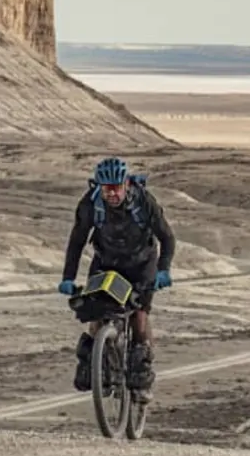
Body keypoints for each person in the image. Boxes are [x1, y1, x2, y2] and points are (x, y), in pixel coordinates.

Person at [58, 156, 175, 402]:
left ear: (126, 184)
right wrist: (68, 277)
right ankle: (99, 368)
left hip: (142, 263)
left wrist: (163, 270)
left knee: (139, 315)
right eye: (106, 189)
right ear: (98, 187)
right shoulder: (90, 205)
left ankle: (142, 378)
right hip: (107, 261)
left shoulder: (144, 202)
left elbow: (167, 237)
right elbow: (77, 240)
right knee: (95, 313)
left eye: (116, 188)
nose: (111, 193)